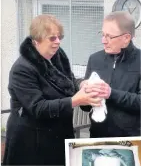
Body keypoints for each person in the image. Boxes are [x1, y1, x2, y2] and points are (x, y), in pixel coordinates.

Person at [3, 14, 101, 165]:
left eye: (59, 37)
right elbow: (38, 108)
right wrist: (75, 101)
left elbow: (67, 82)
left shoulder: (57, 56)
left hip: (56, 136)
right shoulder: (22, 69)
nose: (58, 42)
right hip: (31, 142)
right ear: (36, 40)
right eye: (52, 38)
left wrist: (82, 85)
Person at [81, 11, 141, 137]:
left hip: (130, 140)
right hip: (97, 137)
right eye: (102, 35)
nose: (103, 41)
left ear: (126, 38)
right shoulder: (94, 59)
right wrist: (84, 93)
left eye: (109, 36)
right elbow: (86, 108)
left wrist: (111, 93)